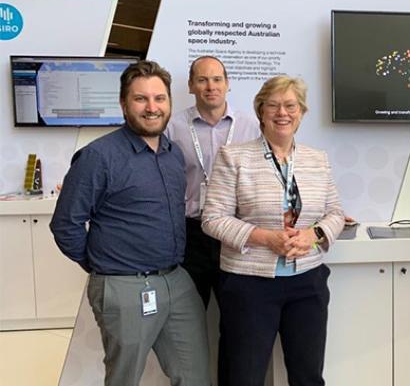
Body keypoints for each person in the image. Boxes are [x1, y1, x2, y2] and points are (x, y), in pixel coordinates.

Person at [50, 60, 209, 386]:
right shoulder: (99, 156)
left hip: (176, 281)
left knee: (195, 376)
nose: (152, 107)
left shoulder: (172, 153)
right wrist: (102, 266)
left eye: (159, 98)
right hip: (123, 285)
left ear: (169, 102)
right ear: (124, 104)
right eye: (141, 99)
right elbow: (66, 224)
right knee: (125, 378)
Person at [201, 75, 345, 386]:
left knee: (308, 376)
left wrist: (313, 235)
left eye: (291, 105)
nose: (283, 113)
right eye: (274, 106)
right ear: (261, 112)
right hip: (249, 285)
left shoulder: (316, 159)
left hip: (307, 283)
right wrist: (266, 238)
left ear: (302, 112)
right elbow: (212, 218)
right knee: (244, 376)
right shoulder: (234, 157)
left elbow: (335, 214)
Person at [165, 55, 260, 308]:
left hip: (236, 233)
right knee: (189, 314)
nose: (211, 87)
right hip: (191, 234)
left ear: (227, 83)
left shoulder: (251, 127)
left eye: (217, 79)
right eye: (202, 80)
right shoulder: (173, 127)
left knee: (237, 316)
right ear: (190, 85)